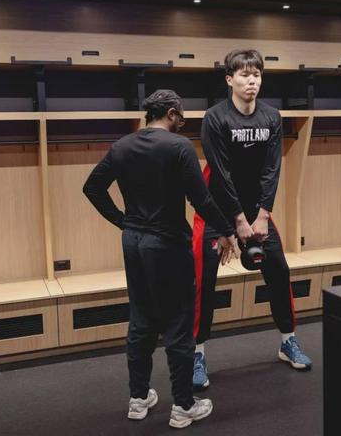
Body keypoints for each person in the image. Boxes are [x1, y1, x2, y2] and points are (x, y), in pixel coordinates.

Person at [83, 89, 236, 429]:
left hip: (134, 243)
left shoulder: (121, 146)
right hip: (168, 244)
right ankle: (183, 406)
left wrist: (123, 221)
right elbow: (201, 199)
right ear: (170, 113)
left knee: (141, 319)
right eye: (180, 115)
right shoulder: (179, 147)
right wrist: (227, 230)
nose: (182, 122)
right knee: (179, 323)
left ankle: (138, 399)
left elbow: (92, 187)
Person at [191, 49, 312, 390]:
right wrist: (236, 223)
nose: (252, 81)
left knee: (279, 270)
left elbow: (272, 169)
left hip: (256, 211)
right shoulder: (215, 118)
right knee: (202, 279)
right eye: (244, 75)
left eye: (256, 74)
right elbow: (221, 173)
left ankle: (287, 341)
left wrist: (262, 216)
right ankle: (196, 353)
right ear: (230, 79)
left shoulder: (271, 117)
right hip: (216, 208)